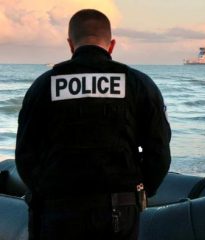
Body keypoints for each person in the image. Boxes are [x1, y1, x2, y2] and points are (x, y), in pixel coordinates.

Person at [15, 9, 171, 240]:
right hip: (119, 209)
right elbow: (158, 152)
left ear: (70, 44)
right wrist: (139, 192)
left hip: (57, 209)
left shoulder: (43, 85)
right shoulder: (139, 84)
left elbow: (26, 153)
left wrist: (43, 190)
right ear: (112, 45)